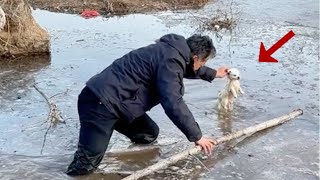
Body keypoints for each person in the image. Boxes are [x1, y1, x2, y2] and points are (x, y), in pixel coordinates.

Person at [66, 33, 228, 176]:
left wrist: (214, 74)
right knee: (86, 164)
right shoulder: (172, 60)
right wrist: (197, 136)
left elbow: (188, 68)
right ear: (195, 58)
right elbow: (172, 102)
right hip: (99, 103)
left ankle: (122, 156)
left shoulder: (173, 52)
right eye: (203, 62)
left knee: (148, 134)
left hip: (119, 104)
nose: (201, 65)